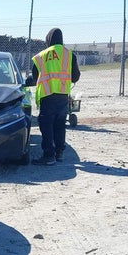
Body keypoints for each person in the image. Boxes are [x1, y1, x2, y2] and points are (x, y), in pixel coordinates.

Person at [29, 27, 80, 165]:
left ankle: (49, 156)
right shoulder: (69, 55)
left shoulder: (41, 56)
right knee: (60, 124)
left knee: (46, 125)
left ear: (48, 39)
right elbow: (75, 77)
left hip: (47, 95)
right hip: (62, 96)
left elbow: (35, 77)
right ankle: (59, 153)